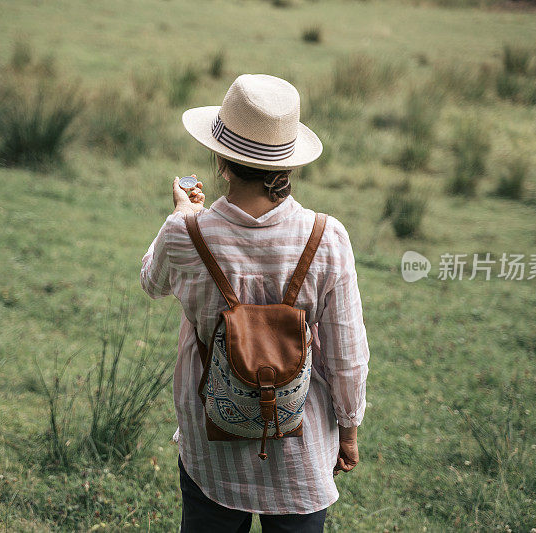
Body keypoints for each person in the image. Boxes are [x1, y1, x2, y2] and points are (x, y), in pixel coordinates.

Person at [140, 74, 369, 532]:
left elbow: (152, 282)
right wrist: (348, 431)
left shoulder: (185, 234)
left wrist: (183, 217)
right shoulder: (327, 238)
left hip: (212, 448)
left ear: (221, 159)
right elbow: (347, 354)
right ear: (287, 165)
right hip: (299, 451)